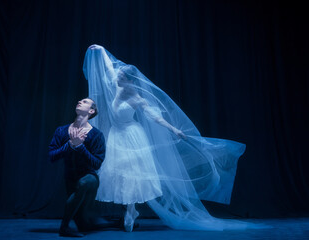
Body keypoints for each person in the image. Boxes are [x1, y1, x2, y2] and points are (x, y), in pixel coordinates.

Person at [83, 44, 263, 231]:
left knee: (133, 174)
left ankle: (130, 210)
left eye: (121, 77)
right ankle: (130, 210)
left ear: (129, 80)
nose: (116, 78)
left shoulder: (137, 98)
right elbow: (109, 66)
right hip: (117, 135)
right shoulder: (116, 84)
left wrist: (174, 129)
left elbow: (155, 116)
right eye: (118, 76)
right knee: (119, 175)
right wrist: (101, 50)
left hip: (131, 135)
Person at [49, 98, 105, 237]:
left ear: (91, 111)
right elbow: (52, 156)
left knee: (85, 181)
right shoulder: (61, 131)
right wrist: (70, 145)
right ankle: (117, 223)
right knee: (84, 225)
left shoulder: (97, 135)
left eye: (85, 102)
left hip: (89, 179)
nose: (80, 101)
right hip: (70, 181)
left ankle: (64, 227)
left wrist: (80, 146)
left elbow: (96, 163)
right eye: (80, 101)